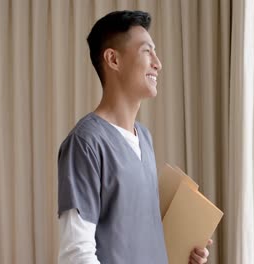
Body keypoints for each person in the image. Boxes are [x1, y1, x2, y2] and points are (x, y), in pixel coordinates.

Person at [57, 10, 212, 264]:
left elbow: (137, 239)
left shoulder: (144, 139)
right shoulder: (85, 143)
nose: (158, 63)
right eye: (146, 51)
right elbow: (76, 254)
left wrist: (181, 252)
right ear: (113, 59)